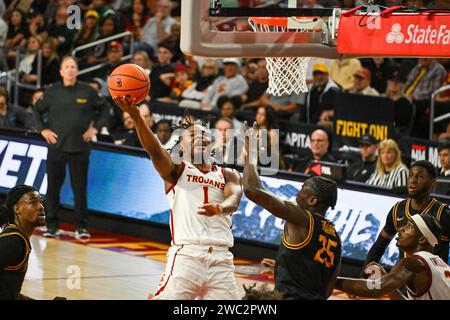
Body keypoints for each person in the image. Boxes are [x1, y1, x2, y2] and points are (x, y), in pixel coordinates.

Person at [112, 97, 243, 300]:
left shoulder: (228, 174)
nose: (200, 137)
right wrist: (137, 117)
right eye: (192, 135)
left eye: (204, 135)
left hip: (222, 260)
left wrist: (220, 208)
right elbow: (154, 150)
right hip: (187, 256)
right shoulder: (177, 170)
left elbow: (234, 199)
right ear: (181, 146)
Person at [243, 121, 341, 299]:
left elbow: (251, 189)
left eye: (303, 188)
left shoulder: (300, 218)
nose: (298, 192)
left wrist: (250, 153)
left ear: (313, 200)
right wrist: (288, 267)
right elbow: (327, 290)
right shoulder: (335, 235)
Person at [33, 56, 110, 240]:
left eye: (73, 67)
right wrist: (43, 130)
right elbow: (36, 110)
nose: (70, 70)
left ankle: (81, 227)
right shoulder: (52, 91)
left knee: (79, 189)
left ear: (77, 70)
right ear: (61, 71)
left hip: (80, 148)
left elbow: (105, 108)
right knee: (53, 189)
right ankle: (51, 226)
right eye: (66, 67)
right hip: (56, 148)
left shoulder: (88, 91)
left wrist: (94, 128)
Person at [363, 160, 450, 273]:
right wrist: (364, 274)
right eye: (411, 176)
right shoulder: (397, 209)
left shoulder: (442, 213)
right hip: (403, 276)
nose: (413, 180)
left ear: (433, 183)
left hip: (432, 280)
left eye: (419, 177)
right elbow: (379, 246)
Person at [336, 215, 450, 300]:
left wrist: (331, 281)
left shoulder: (413, 263)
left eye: (408, 226)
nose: (401, 229)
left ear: (422, 239)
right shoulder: (438, 263)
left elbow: (375, 289)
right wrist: (385, 277)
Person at [0, 185, 64, 300]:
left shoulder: (18, 239)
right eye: (33, 202)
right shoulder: (13, 242)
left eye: (41, 202)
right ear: (17, 209)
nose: (40, 207)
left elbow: (9, 294)